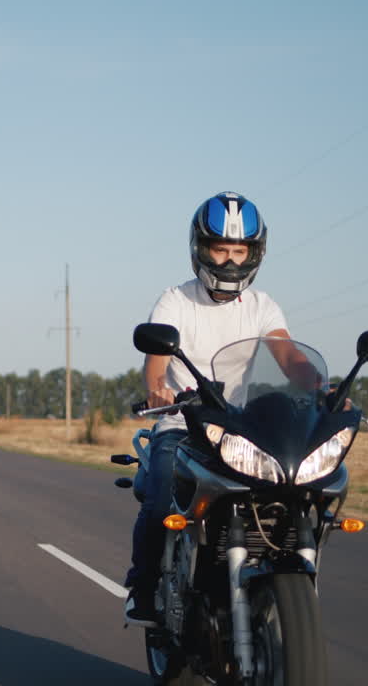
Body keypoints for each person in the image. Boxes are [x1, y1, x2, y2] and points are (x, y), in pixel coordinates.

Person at [124, 191, 292, 627]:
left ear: (256, 252)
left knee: (285, 493)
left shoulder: (261, 306)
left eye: (241, 250)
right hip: (181, 423)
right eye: (221, 248)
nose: (231, 261)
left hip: (238, 428)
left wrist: (321, 386)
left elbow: (290, 357)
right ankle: (141, 586)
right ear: (200, 248)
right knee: (163, 497)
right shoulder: (175, 301)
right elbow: (155, 363)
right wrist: (158, 390)